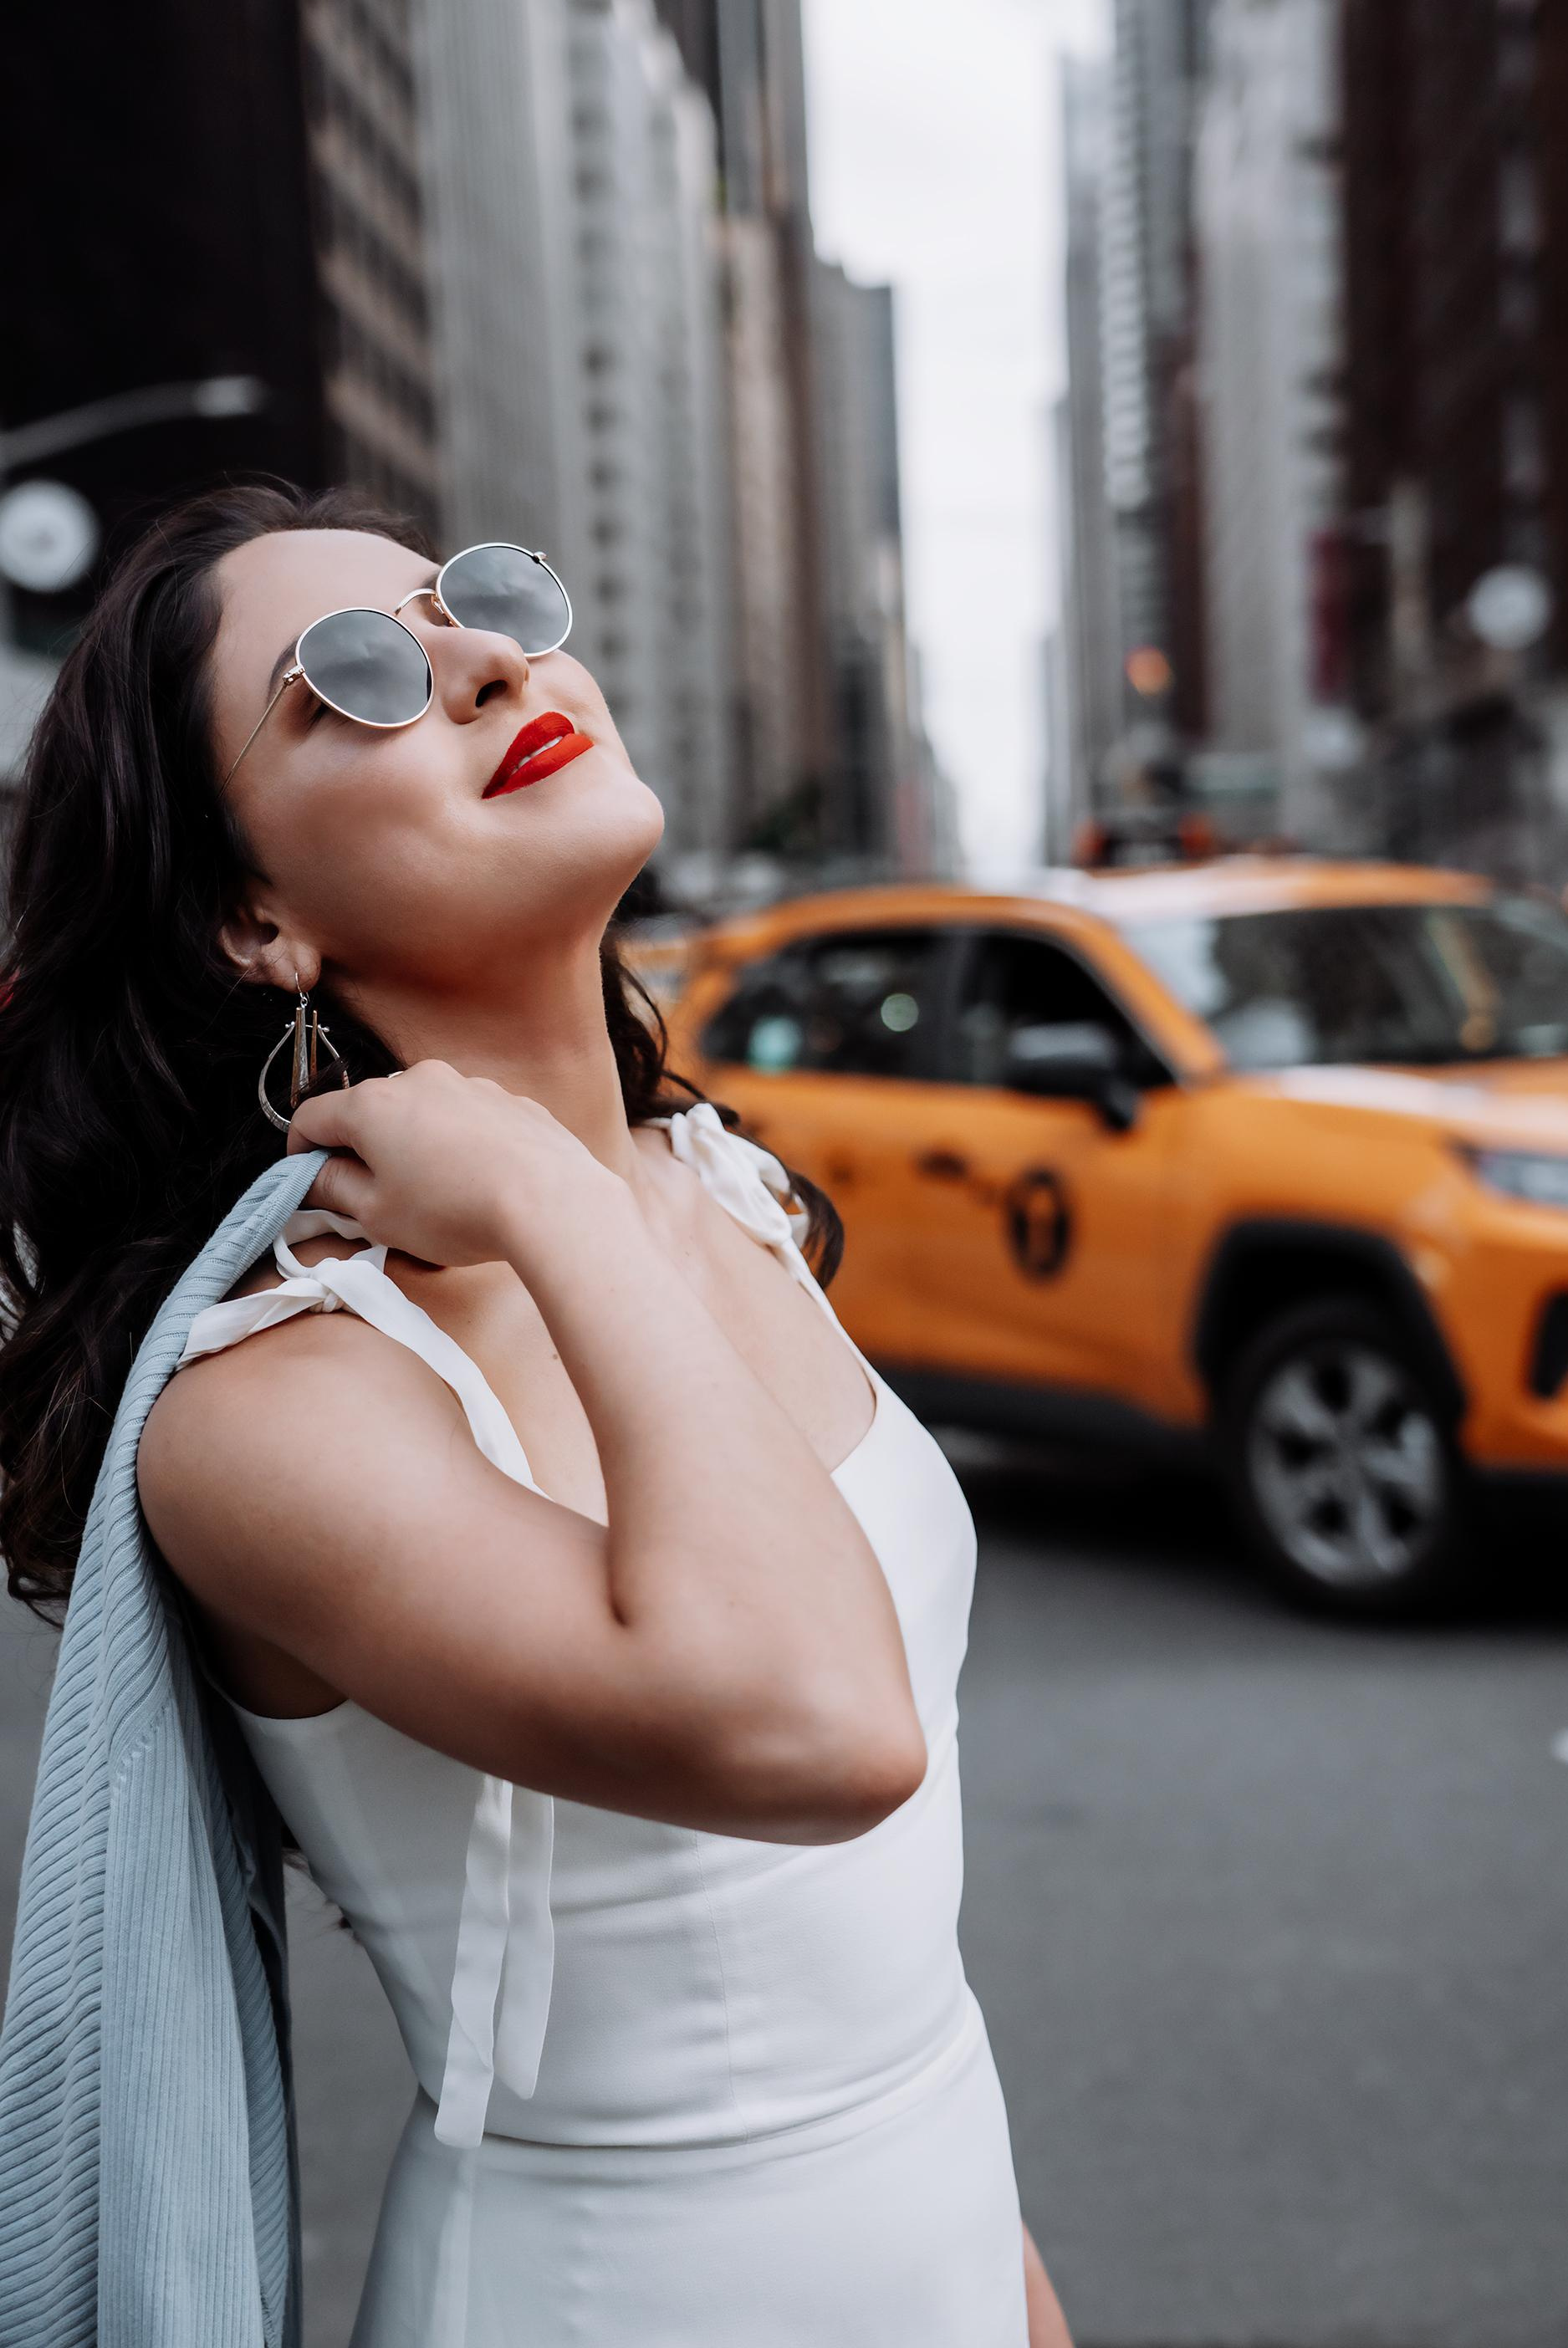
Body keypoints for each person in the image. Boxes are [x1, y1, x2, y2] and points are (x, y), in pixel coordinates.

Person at [0, 485, 1074, 2346]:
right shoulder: (269, 1406)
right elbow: (824, 1732)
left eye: (480, 602)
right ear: (255, 920)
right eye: (351, 681)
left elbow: (895, 1985)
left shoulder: (714, 1187)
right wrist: (547, 1200)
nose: (488, 660)